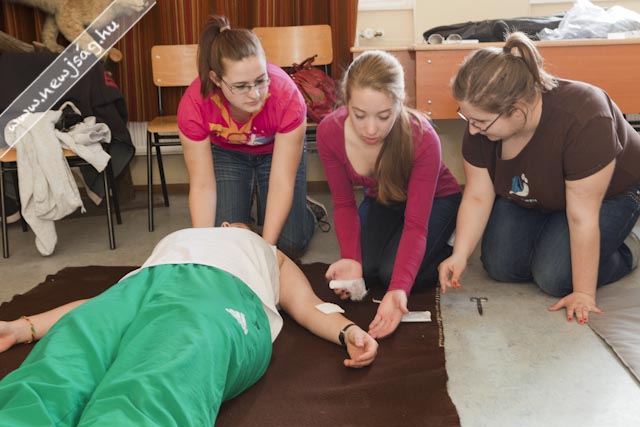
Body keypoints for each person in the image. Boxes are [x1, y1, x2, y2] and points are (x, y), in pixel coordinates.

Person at [0, 224, 378, 426]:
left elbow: (310, 306)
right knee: (66, 355)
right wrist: (22, 327)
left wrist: (348, 331)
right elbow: (97, 308)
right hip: (143, 285)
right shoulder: (181, 239)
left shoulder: (269, 253)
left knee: (162, 372)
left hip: (220, 294)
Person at [438, 32, 640, 325]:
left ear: (517, 111)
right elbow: (478, 196)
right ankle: (554, 230)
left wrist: (583, 293)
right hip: (541, 190)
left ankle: (629, 243)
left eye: (480, 122)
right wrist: (460, 254)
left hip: (611, 193)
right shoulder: (481, 126)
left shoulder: (585, 116)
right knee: (500, 266)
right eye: (467, 118)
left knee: (555, 278)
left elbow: (582, 216)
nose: (471, 130)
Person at [316, 50, 462, 339]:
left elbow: (415, 225)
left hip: (436, 200)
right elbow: (344, 205)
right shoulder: (329, 132)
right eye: (359, 115)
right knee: (367, 270)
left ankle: (448, 241)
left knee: (394, 275)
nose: (371, 129)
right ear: (346, 101)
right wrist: (350, 259)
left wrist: (398, 289)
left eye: (384, 116)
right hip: (384, 199)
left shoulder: (423, 137)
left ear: (400, 103)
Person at [177, 15, 326, 258]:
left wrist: (266, 251)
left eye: (260, 80)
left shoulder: (287, 96)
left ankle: (304, 210)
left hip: (275, 152)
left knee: (289, 244)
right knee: (224, 239)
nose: (255, 94)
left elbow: (281, 182)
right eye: (241, 86)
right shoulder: (194, 104)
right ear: (216, 79)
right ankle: (253, 212)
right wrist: (204, 246)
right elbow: (202, 185)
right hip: (228, 154)